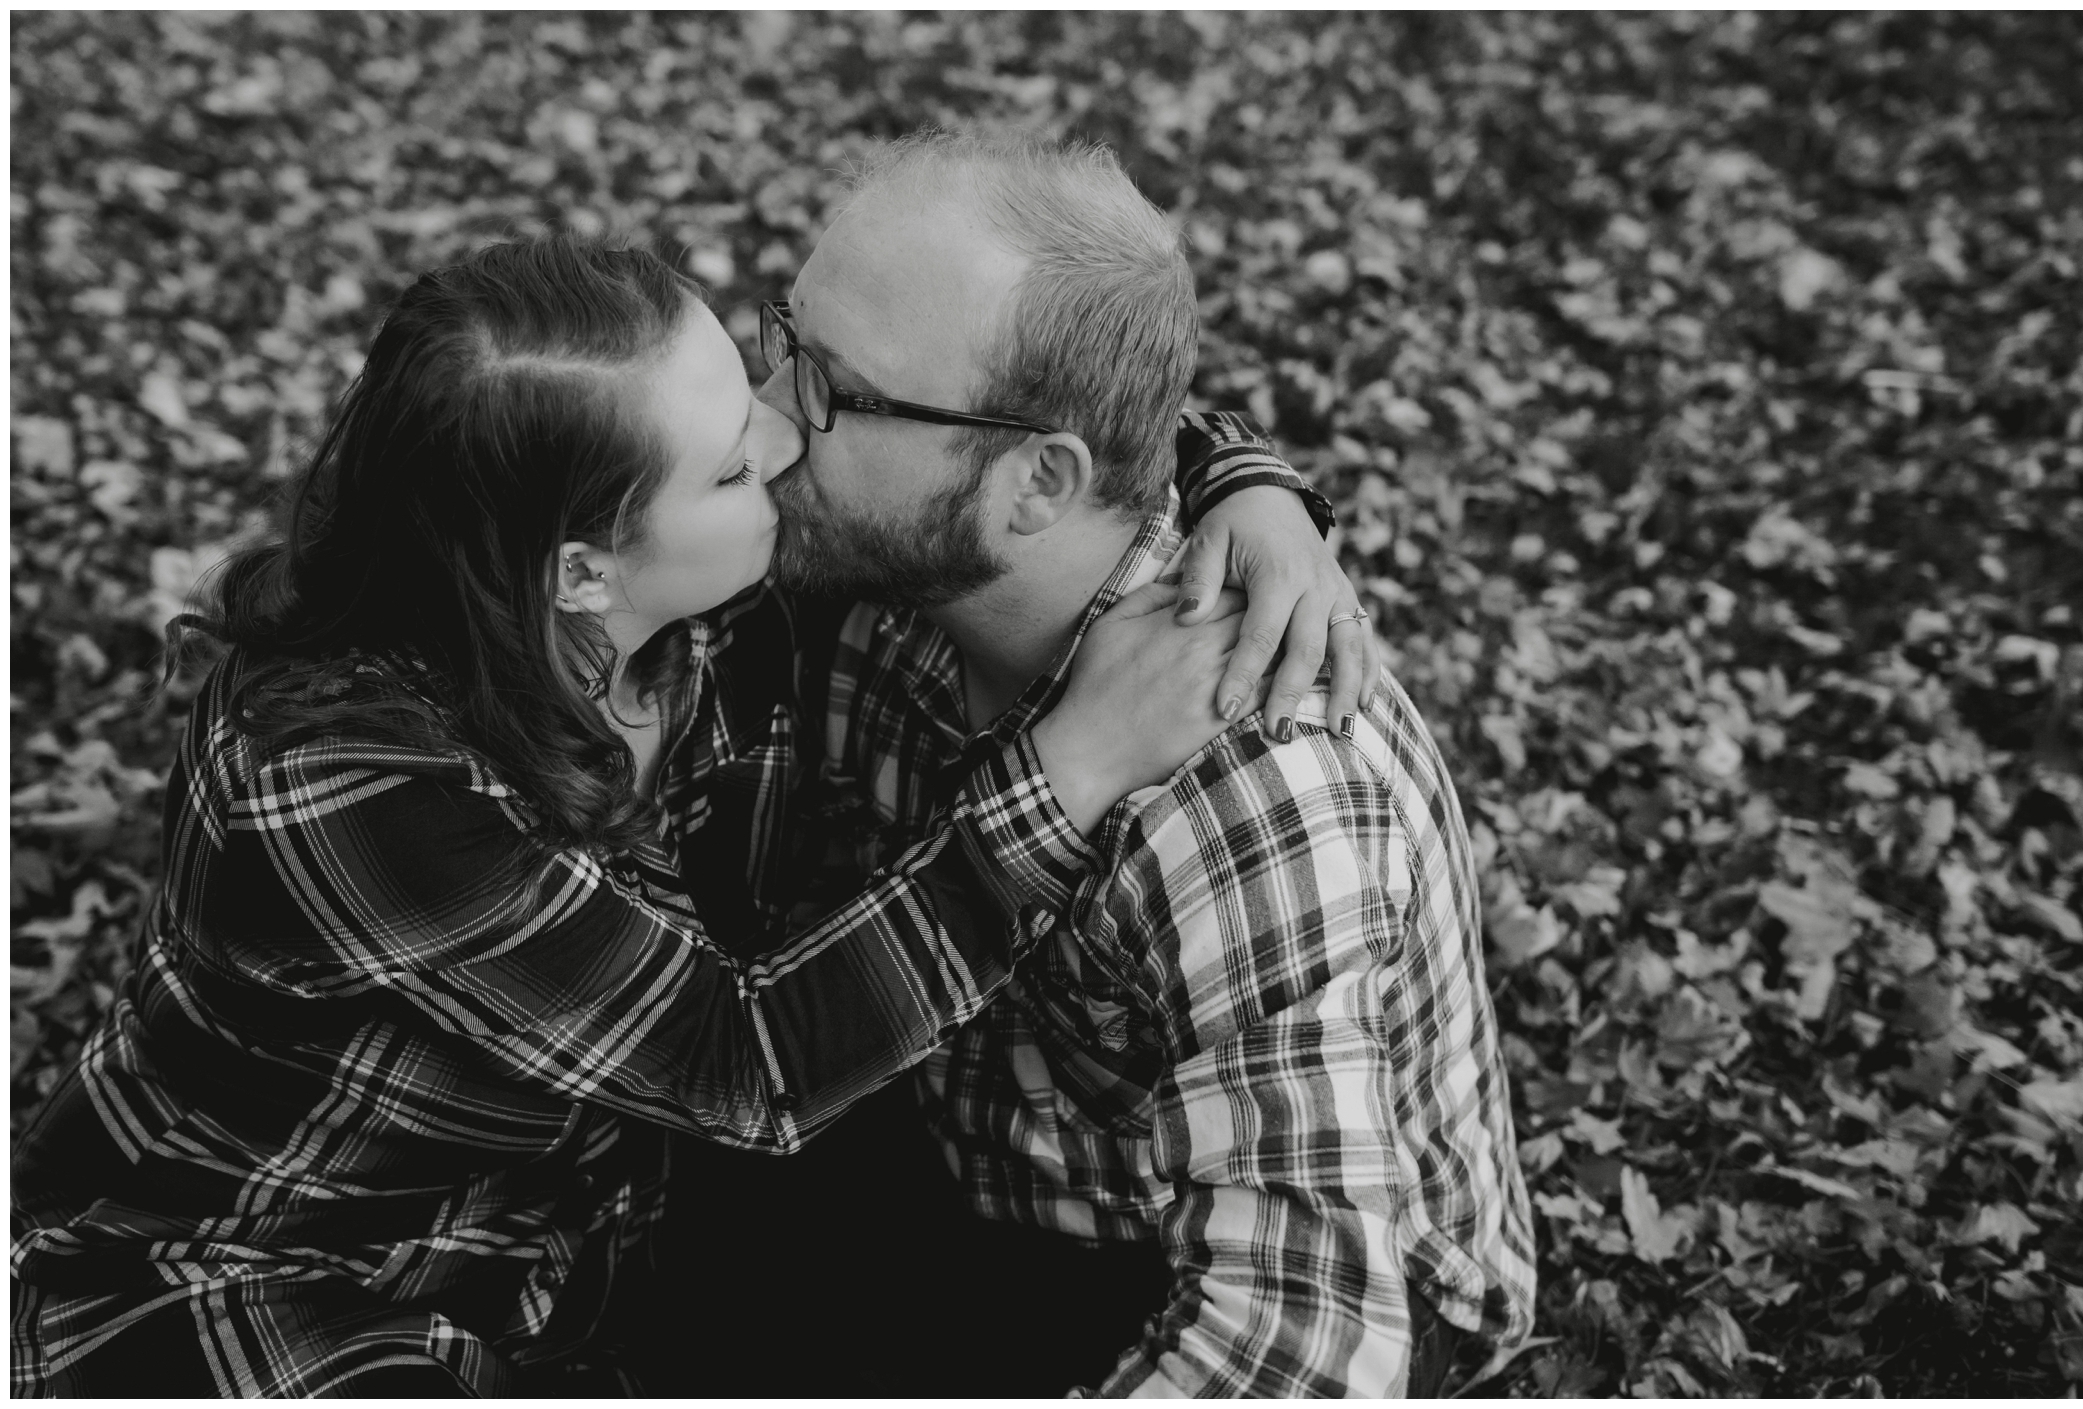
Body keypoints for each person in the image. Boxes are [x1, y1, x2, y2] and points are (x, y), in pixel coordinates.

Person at [8, 234, 1363, 1396]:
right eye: (728, 463)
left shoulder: (681, 589)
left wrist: (1244, 481)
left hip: (603, 1221)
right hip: (297, 1275)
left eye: (751, 381)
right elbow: (741, 1061)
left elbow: (996, 432)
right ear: (583, 572)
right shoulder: (347, 780)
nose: (781, 433)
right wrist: (1072, 766)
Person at [744, 132, 1538, 1397]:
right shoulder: (892, 575)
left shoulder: (1250, 794)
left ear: (1036, 483)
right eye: (781, 342)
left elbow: (1306, 1345)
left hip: (1218, 1266)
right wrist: (1252, 468)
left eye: (834, 390)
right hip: (981, 1142)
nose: (765, 421)